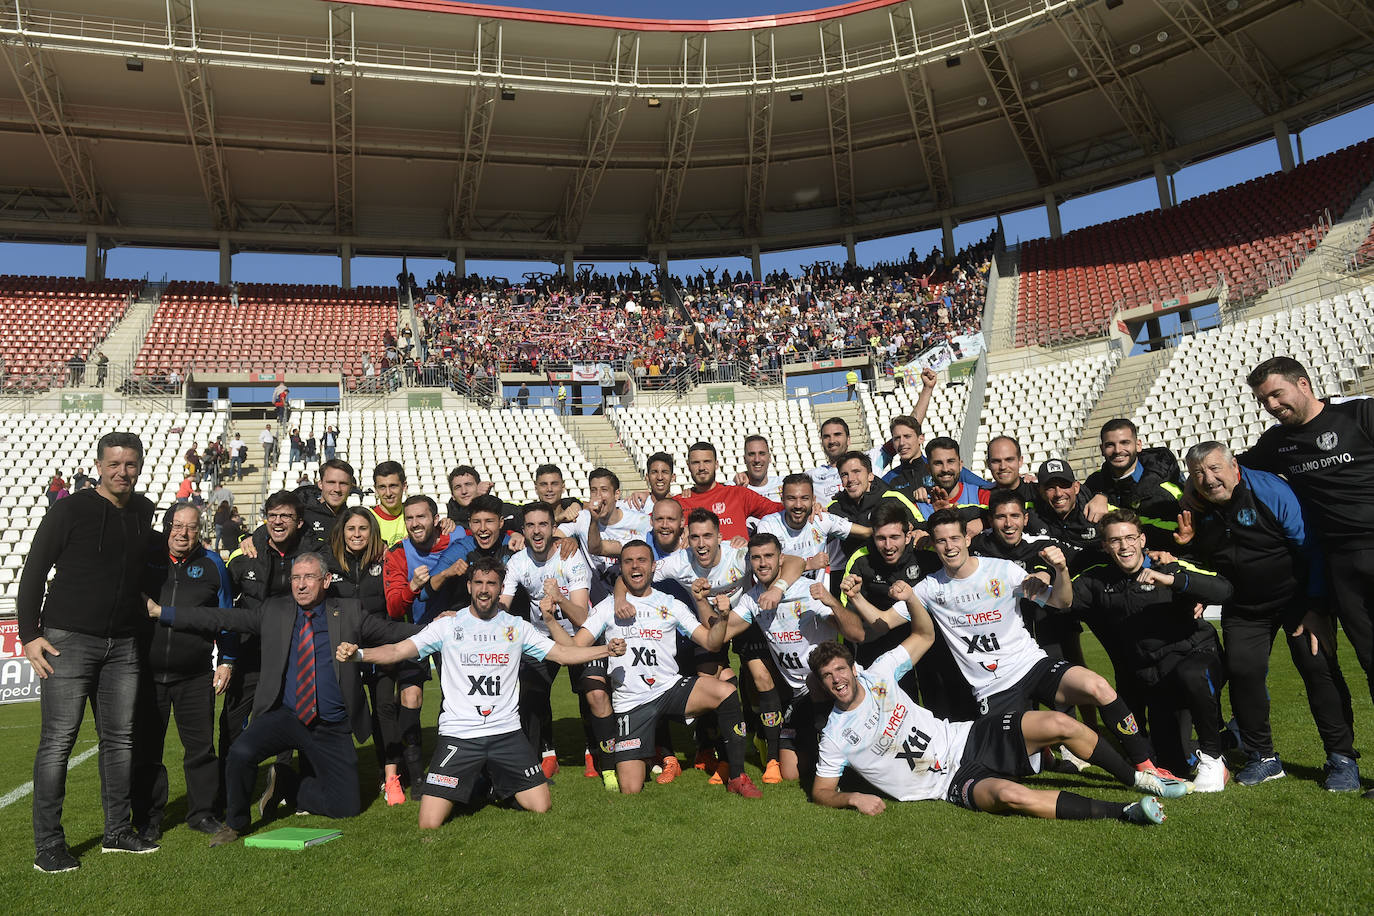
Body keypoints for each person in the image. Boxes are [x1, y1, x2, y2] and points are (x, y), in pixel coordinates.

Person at [839, 508, 1186, 792]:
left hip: (1031, 665)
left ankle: (1146, 767)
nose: (949, 547)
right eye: (941, 541)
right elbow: (881, 624)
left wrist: (1061, 569)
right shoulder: (930, 588)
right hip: (992, 688)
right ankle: (1044, 756)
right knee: (1013, 774)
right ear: (934, 545)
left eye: (955, 539)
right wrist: (855, 598)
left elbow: (1062, 601)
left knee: (1096, 686)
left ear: (967, 538)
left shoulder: (1003, 571)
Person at [807, 603, 1168, 825]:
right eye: (827, 676)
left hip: (968, 737)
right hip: (948, 782)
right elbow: (821, 791)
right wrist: (852, 798)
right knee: (1014, 796)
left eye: (840, 670)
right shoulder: (835, 735)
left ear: (853, 669)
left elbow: (924, 634)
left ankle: (1138, 779)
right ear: (822, 685)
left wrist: (911, 598)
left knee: (1059, 723)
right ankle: (1126, 810)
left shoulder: (879, 673)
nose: (837, 679)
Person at [145, 553, 417, 846]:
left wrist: (446, 628)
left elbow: (392, 631)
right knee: (240, 753)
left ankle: (288, 783)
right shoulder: (275, 610)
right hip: (286, 716)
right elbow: (222, 617)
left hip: (331, 724)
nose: (300, 585)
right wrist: (163, 612)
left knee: (347, 808)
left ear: (326, 581)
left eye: (309, 577)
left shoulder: (349, 611)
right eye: (296, 578)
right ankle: (236, 824)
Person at [335, 557, 625, 826]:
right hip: (460, 734)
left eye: (491, 584)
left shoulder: (516, 627)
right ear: (469, 586)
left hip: (506, 733)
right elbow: (398, 650)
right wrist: (360, 654)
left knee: (540, 805)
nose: (484, 590)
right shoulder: (448, 626)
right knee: (429, 821)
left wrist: (605, 649)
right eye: (479, 583)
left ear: (500, 588)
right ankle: (475, 784)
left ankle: (492, 781)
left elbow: (562, 654)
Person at [1179, 440, 1359, 790]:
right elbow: (1207, 558)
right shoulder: (1195, 504)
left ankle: (1342, 757)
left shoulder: (1269, 490)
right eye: (1198, 473)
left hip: (1298, 599)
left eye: (1215, 468)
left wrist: (1316, 605)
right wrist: (1190, 555)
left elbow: (1311, 547)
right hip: (1245, 608)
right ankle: (1263, 757)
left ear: (1234, 467)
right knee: (1244, 673)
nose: (1208, 478)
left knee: (1317, 668)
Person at [20, 432, 159, 871]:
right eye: (114, 464)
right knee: (58, 743)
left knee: (119, 741)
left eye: (130, 464)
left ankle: (117, 832)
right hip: (67, 642)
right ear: (99, 465)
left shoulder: (143, 511)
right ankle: (48, 845)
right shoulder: (70, 508)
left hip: (123, 645)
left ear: (139, 465)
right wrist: (29, 634)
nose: (123, 472)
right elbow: (34, 571)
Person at [1241, 356, 1374, 801]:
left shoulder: (1359, 413)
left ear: (1304, 383)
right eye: (1263, 401)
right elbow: (1227, 469)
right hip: (1340, 565)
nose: (1272, 406)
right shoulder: (1276, 444)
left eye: (1277, 394)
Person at [553, 541, 763, 798]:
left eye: (642, 560)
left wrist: (721, 618)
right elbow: (574, 649)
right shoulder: (608, 607)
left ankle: (737, 775)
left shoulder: (670, 604)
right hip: (631, 703)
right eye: (628, 561)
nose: (635, 566)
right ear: (621, 567)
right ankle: (641, 753)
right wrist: (551, 620)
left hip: (669, 689)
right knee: (630, 788)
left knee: (725, 691)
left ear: (653, 567)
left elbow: (711, 642)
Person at [1069, 509, 1232, 789]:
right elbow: (1063, 598)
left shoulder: (1168, 565)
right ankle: (1219, 742)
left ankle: (1213, 757)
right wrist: (1050, 577)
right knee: (1171, 765)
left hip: (1197, 659)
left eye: (1130, 537)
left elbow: (1223, 589)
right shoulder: (1097, 580)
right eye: (1115, 540)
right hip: (1157, 681)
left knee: (1192, 674)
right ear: (1106, 546)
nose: (1124, 546)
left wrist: (1173, 581)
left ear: (1142, 539)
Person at [132, 504, 234, 842]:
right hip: (146, 674)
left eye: (190, 527)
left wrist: (227, 659)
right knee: (147, 750)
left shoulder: (213, 563)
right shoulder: (147, 557)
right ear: (167, 527)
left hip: (195, 675)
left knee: (201, 749)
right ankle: (147, 817)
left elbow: (226, 616)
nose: (183, 533)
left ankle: (202, 813)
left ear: (199, 530)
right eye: (177, 525)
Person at [499, 502, 615, 785]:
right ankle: (541, 758)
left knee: (594, 694)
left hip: (581, 636)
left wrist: (559, 598)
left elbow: (583, 617)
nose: (537, 532)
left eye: (542, 525)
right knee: (530, 694)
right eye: (531, 526)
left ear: (553, 528)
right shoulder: (516, 563)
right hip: (542, 638)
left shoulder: (571, 557)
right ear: (523, 530)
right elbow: (502, 606)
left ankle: (598, 754)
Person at [383, 495, 476, 796]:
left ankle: (453, 763)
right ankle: (415, 777)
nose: (414, 524)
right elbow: (395, 606)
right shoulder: (399, 553)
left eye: (421, 517)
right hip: (415, 630)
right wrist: (419, 585)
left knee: (457, 697)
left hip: (454, 629)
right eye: (409, 519)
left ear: (436, 519)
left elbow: (490, 533)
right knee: (411, 696)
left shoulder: (459, 535)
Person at [325, 507, 401, 801]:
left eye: (363, 529)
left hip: (381, 647)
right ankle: (340, 778)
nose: (357, 535)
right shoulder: (328, 563)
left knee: (384, 710)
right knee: (342, 713)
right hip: (344, 652)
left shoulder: (387, 559)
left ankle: (391, 777)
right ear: (341, 532)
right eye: (351, 529)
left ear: (373, 532)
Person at [1083, 419, 1184, 549]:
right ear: (1102, 449)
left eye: (1125, 442)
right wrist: (1100, 493)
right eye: (1110, 445)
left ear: (1138, 445)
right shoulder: (1093, 485)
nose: (1118, 450)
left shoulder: (1167, 486)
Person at [674, 441, 782, 540]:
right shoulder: (678, 503)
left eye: (707, 461)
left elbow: (780, 510)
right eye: (696, 463)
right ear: (688, 466)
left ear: (716, 464)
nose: (702, 467)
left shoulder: (738, 494)